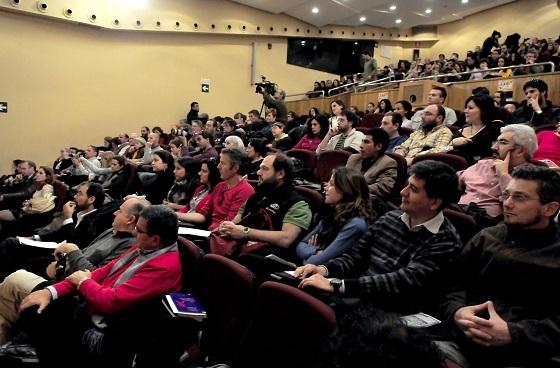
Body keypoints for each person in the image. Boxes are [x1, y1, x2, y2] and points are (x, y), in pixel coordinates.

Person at [15, 205, 182, 366]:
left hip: (111, 328)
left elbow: (112, 302)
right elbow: (99, 273)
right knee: (41, 297)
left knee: (38, 314)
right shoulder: (143, 247)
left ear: (155, 239)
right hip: (92, 304)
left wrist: (82, 281)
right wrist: (50, 292)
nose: (133, 231)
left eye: (138, 230)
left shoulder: (165, 266)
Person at [294, 160, 461, 314]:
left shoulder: (446, 241)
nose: (403, 192)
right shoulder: (389, 219)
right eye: (407, 186)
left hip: (392, 312)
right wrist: (324, 269)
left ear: (435, 203)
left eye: (414, 189)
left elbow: (402, 282)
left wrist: (337, 285)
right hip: (359, 295)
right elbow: (354, 257)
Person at [441, 166, 560, 367]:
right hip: (461, 338)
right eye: (507, 195)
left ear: (550, 208)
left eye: (519, 198)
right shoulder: (487, 237)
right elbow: (453, 284)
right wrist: (457, 311)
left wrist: (513, 333)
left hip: (525, 354)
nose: (507, 203)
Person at [0, 197, 149, 344]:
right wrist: (59, 265)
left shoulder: (130, 246)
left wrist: (73, 252)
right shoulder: (112, 231)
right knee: (17, 272)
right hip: (65, 278)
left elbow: (97, 276)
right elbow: (85, 255)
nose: (115, 212)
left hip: (75, 295)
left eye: (120, 211)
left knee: (14, 279)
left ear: (130, 219)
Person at [0, 182, 105, 281]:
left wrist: (68, 217)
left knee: (11, 244)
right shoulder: (78, 213)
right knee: (13, 242)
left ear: (91, 199)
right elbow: (59, 234)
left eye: (80, 194)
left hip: (60, 253)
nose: (75, 196)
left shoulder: (96, 221)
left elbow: (74, 243)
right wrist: (35, 238)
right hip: (53, 246)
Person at [215, 152, 311, 259]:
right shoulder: (256, 196)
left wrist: (245, 232)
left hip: (266, 258)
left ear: (280, 174)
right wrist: (228, 228)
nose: (258, 173)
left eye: (264, 169)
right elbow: (239, 218)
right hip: (239, 248)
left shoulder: (298, 204)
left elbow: (286, 239)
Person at [458, 124, 537, 219]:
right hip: (458, 212)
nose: (494, 147)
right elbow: (452, 180)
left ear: (520, 151)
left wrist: (503, 174)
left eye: (503, 142)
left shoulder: (531, 176)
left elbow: (517, 204)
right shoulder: (484, 164)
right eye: (496, 142)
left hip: (487, 222)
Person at [296, 167, 371, 265]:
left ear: (345, 190)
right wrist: (317, 251)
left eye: (331, 184)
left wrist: (311, 255)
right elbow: (300, 246)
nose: (326, 187)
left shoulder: (356, 224)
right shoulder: (332, 213)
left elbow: (314, 262)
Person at [198, 148, 254, 231]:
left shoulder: (246, 190)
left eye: (222, 163)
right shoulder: (219, 186)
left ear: (235, 168)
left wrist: (210, 233)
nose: (218, 166)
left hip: (222, 236)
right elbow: (203, 213)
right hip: (209, 232)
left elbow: (230, 223)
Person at [448, 94, 502, 165]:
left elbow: (484, 151)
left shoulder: (495, 127)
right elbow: (444, 150)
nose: (465, 111)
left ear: (483, 110)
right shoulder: (460, 130)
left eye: (470, 108)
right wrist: (452, 143)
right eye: (465, 108)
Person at [346, 128, 397, 198]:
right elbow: (343, 178)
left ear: (378, 146)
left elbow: (382, 187)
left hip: (366, 201)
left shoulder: (388, 163)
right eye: (362, 141)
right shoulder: (354, 158)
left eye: (366, 142)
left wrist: (352, 189)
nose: (361, 145)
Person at [176, 158, 221, 225]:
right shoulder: (200, 188)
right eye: (200, 170)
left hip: (196, 225)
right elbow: (187, 208)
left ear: (213, 174)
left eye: (204, 171)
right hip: (185, 221)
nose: (199, 173)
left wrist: (174, 215)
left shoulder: (215, 192)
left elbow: (202, 217)